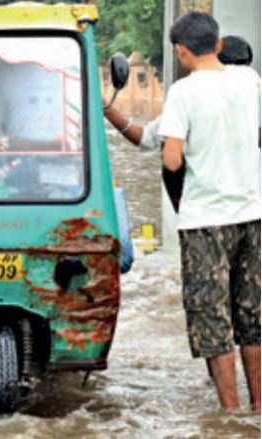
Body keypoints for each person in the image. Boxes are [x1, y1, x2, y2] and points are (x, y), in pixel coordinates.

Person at [160, 12, 260, 413]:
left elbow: (170, 160)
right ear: (218, 44)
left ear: (181, 52)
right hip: (252, 215)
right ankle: (258, 409)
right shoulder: (250, 81)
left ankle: (230, 414)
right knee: (252, 316)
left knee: (212, 318)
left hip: (205, 221)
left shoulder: (184, 92)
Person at [102, 34, 255, 211]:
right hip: (213, 215)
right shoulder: (189, 98)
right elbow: (149, 140)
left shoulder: (251, 95)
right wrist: (108, 110)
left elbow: (163, 155)